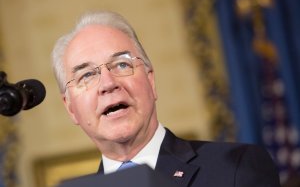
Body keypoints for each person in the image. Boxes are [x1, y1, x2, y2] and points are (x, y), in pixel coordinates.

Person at [51, 11, 280, 187]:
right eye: (87, 75)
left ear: (151, 81)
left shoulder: (235, 168)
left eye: (122, 64)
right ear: (70, 108)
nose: (108, 84)